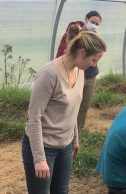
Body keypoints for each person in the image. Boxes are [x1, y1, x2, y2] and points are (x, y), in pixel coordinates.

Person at [22, 30, 107, 194]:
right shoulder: (49, 74)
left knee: (61, 191)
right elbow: (33, 118)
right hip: (43, 146)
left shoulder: (80, 71)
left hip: (65, 146)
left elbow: (72, 109)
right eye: (94, 59)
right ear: (82, 52)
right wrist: (39, 158)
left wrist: (74, 138)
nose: (94, 64)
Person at [56, 11, 102, 130]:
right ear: (86, 20)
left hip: (90, 75)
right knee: (70, 104)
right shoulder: (74, 33)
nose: (94, 25)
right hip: (74, 74)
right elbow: (63, 52)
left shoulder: (95, 37)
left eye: (97, 23)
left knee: (84, 105)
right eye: (92, 22)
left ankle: (79, 130)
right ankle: (65, 128)